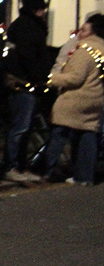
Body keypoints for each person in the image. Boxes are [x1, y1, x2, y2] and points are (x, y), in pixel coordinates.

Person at [43, 13, 104, 186]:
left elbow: (75, 78)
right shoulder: (102, 50)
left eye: (84, 30)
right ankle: (85, 175)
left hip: (76, 99)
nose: (80, 33)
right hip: (95, 98)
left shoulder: (85, 50)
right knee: (88, 134)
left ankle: (48, 169)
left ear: (93, 32)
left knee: (59, 132)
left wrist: (52, 78)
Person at [2, 0, 52, 183]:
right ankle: (12, 165)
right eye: (40, 9)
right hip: (24, 84)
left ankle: (20, 166)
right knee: (21, 127)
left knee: (25, 127)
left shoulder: (24, 26)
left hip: (26, 83)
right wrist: (39, 78)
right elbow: (29, 56)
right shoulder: (28, 28)